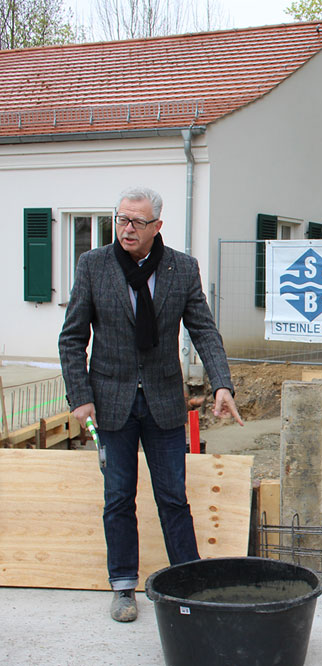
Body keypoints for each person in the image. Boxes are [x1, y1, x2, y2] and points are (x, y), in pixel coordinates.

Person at [58, 186, 243, 623]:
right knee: (119, 497)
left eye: (137, 222)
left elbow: (203, 330)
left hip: (163, 402)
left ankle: (190, 583)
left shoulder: (181, 268)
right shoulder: (94, 265)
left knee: (173, 497)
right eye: (121, 219)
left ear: (157, 226)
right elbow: (72, 337)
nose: (126, 228)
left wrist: (221, 384)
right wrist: (80, 396)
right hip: (111, 402)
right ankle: (123, 587)